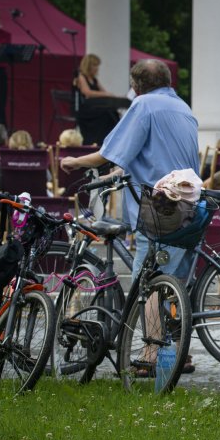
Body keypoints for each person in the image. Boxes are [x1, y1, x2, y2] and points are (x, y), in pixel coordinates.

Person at [60, 59, 199, 375]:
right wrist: (118, 172)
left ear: (136, 86)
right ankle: (181, 352)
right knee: (173, 282)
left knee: (146, 282)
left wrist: (74, 161)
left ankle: (151, 354)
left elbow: (109, 152)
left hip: (160, 206)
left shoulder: (143, 105)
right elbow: (156, 152)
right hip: (190, 203)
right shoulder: (182, 107)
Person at [74, 53, 132, 146]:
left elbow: (104, 92)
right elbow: (87, 92)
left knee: (112, 111)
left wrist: (114, 97)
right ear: (88, 65)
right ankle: (100, 140)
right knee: (106, 114)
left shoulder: (94, 79)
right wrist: (106, 94)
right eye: (95, 65)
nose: (97, 68)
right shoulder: (81, 77)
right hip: (86, 110)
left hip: (94, 107)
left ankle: (112, 139)